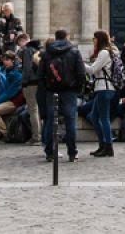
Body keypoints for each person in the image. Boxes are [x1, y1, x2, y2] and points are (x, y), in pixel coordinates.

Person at [38, 28, 86, 162]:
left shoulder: (47, 53)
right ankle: (72, 153)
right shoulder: (74, 52)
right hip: (69, 91)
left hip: (51, 91)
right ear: (67, 37)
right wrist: (78, 89)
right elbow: (81, 74)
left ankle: (49, 152)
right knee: (70, 122)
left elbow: (40, 75)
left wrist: (46, 89)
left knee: (50, 122)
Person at [85, 30, 121, 157]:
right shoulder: (105, 52)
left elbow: (92, 70)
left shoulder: (104, 53)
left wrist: (79, 62)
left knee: (103, 118)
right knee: (94, 117)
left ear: (99, 39)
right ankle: (102, 145)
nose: (93, 41)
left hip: (104, 88)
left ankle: (108, 146)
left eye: (94, 38)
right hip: (102, 88)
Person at [0, 52, 25, 138]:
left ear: (13, 61)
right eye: (4, 60)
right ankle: (2, 132)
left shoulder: (17, 74)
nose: (5, 62)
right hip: (8, 99)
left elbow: (10, 93)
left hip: (15, 101)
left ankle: (6, 133)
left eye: (7, 60)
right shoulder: (6, 70)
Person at [16, 34, 42, 142]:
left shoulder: (27, 51)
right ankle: (41, 135)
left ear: (23, 41)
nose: (20, 47)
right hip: (40, 82)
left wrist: (24, 82)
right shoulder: (39, 50)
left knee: (33, 110)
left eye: (19, 44)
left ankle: (36, 137)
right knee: (39, 110)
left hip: (30, 83)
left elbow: (27, 69)